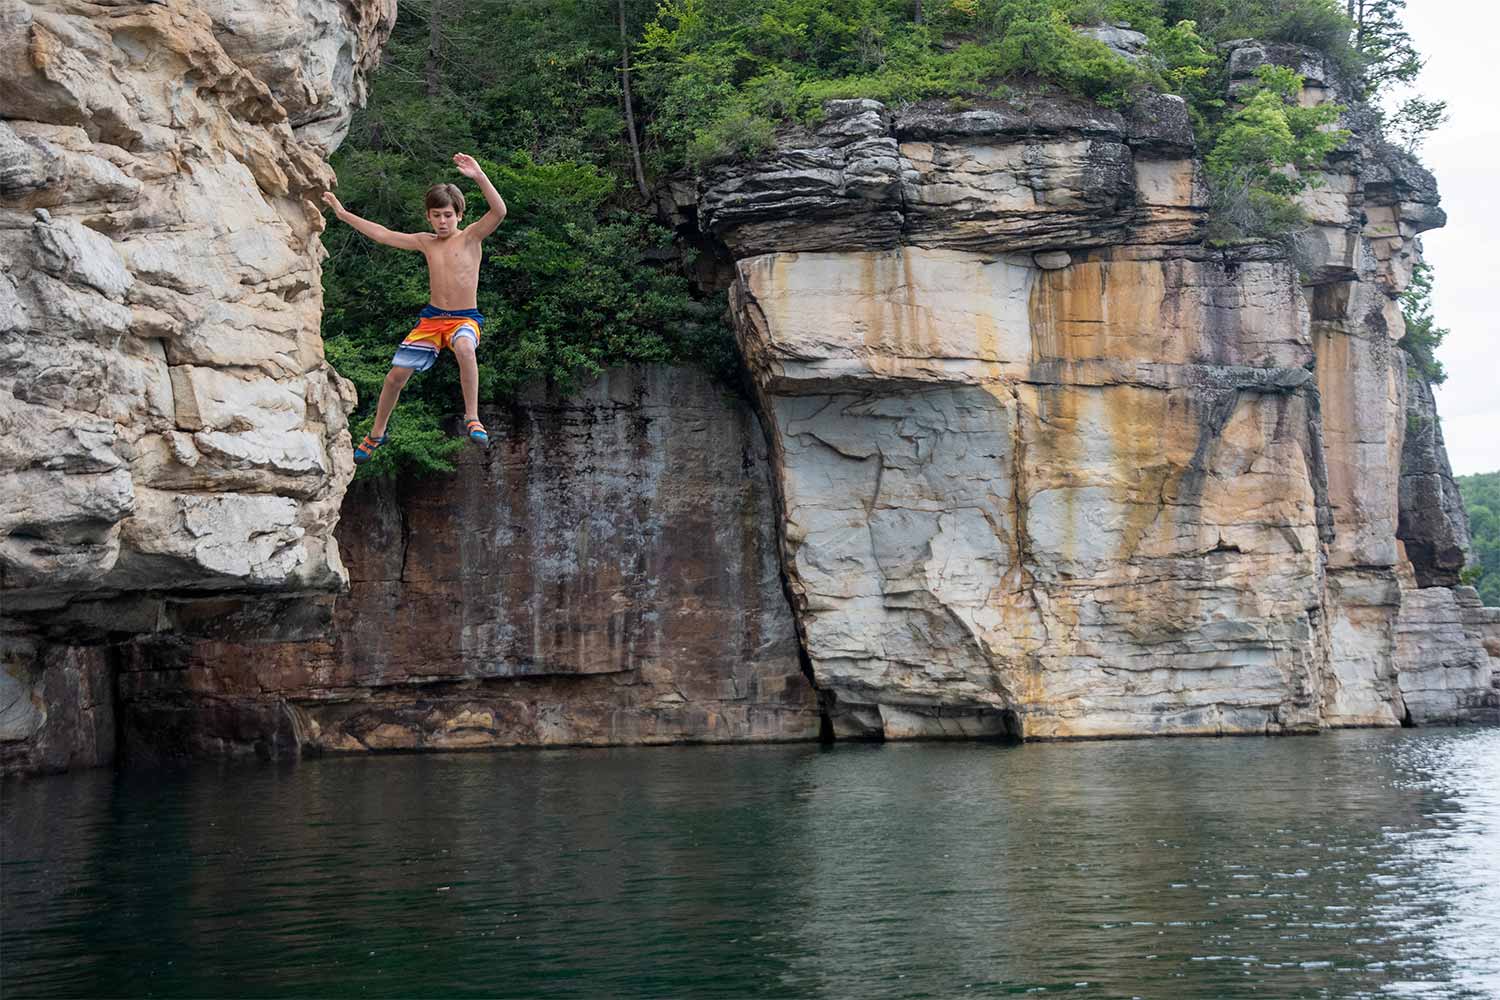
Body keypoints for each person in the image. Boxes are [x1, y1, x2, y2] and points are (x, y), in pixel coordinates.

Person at [321, 153, 506, 463]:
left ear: (459, 215)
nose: (443, 221)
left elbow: (499, 211)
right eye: (437, 215)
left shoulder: (472, 237)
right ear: (428, 217)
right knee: (395, 377)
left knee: (464, 348)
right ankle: (377, 433)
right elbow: (383, 234)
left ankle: (472, 417)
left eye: (448, 215)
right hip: (432, 320)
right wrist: (342, 214)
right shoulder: (426, 241)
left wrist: (479, 175)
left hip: (464, 318)